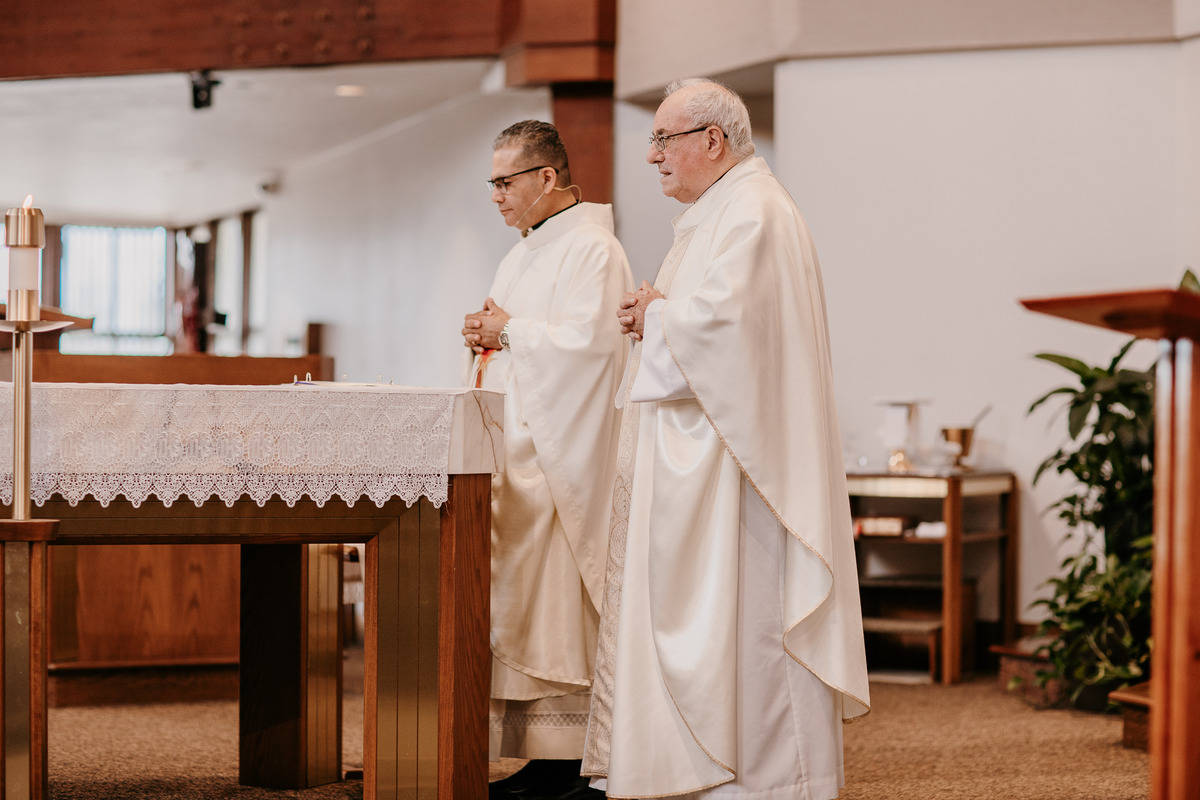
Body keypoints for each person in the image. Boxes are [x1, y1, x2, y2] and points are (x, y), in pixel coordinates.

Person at [582, 79, 870, 799]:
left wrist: (657, 315)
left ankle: (769, 786)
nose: (651, 157)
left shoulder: (756, 213)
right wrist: (660, 313)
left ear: (712, 141)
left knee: (750, 636)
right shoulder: (724, 212)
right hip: (712, 460)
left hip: (745, 475)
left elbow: (730, 335)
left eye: (663, 139)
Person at [462, 120, 633, 799]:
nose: (497, 196)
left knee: (560, 608)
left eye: (506, 182)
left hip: (564, 461)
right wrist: (484, 335)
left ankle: (574, 761)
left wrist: (510, 332)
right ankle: (539, 757)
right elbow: (516, 337)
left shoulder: (594, 249)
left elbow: (592, 348)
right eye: (494, 183)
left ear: (547, 179)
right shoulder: (523, 253)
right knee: (523, 606)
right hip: (520, 452)